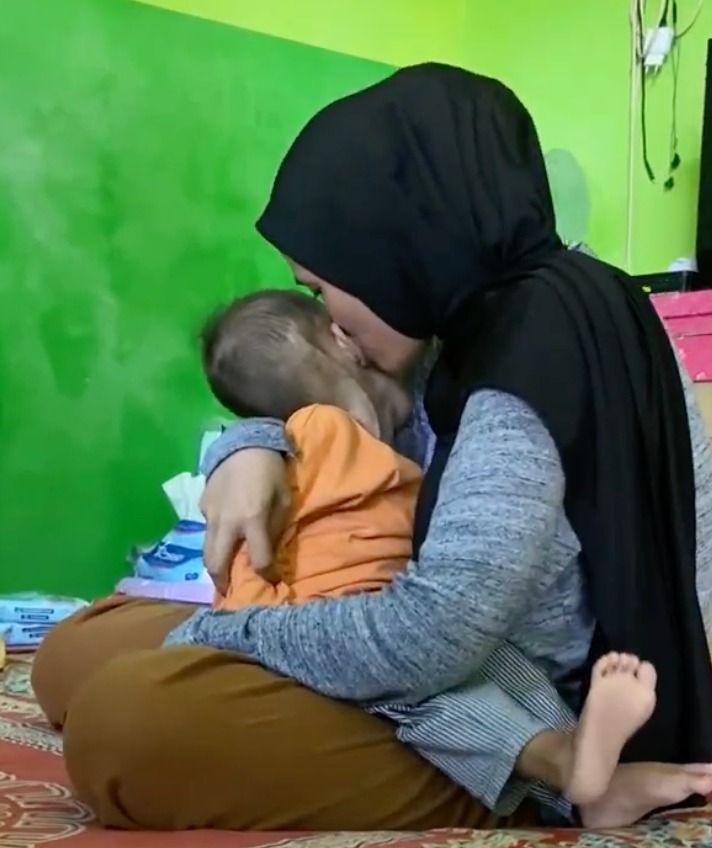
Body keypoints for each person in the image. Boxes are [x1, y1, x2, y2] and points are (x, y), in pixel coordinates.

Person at [32, 63, 712, 832]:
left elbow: (431, 640)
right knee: (70, 656)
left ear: (391, 247)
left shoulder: (526, 363)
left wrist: (224, 632)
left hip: (512, 700)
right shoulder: (461, 318)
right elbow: (335, 416)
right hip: (410, 644)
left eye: (323, 290)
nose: (331, 323)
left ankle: (556, 774)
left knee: (123, 729)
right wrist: (249, 448)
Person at [199, 287, 677, 823]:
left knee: (468, 683)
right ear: (339, 339)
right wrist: (246, 448)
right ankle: (568, 766)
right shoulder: (301, 451)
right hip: (348, 622)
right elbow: (251, 557)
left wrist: (231, 621)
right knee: (458, 692)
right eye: (317, 293)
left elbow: (246, 573)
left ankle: (579, 767)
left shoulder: (428, 392)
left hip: (407, 612)